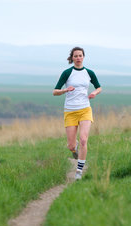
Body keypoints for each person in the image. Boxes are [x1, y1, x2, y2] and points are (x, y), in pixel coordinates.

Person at [53, 46, 102, 180]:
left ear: (83, 57)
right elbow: (55, 91)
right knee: (71, 145)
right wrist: (65, 90)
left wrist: (94, 93)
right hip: (70, 111)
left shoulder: (89, 72)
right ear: (72, 58)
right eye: (76, 56)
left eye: (80, 55)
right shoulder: (67, 73)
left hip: (85, 109)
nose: (78, 58)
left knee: (84, 140)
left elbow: (99, 87)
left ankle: (79, 172)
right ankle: (74, 150)